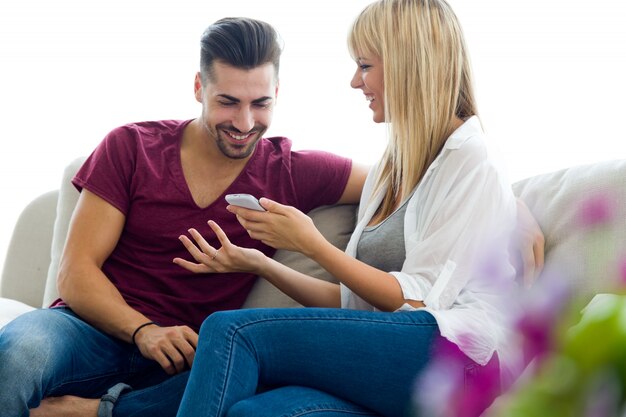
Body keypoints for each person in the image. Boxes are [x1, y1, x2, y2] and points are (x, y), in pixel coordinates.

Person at [0, 17, 368, 417]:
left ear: (276, 94)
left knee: (256, 378)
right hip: (89, 331)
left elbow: (399, 180)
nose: (245, 124)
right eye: (228, 101)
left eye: (260, 104)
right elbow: (75, 273)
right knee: (20, 350)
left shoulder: (292, 170)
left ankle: (95, 411)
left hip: (187, 360)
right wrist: (144, 331)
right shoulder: (131, 147)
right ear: (199, 87)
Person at [174, 1, 521, 416]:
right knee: (256, 412)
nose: (355, 81)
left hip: (459, 359)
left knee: (231, 331)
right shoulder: (391, 168)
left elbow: (420, 305)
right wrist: (261, 265)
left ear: (408, 64)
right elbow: (355, 305)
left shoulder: (472, 160)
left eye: (365, 65)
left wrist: (313, 245)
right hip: (393, 359)